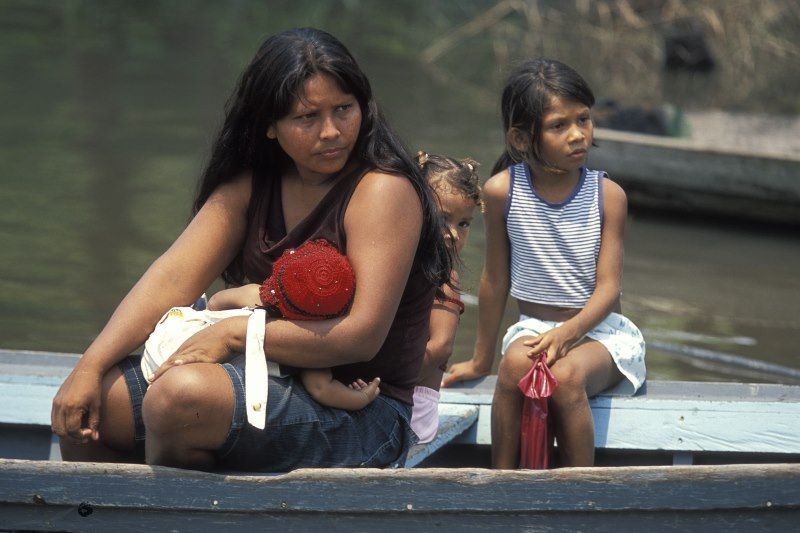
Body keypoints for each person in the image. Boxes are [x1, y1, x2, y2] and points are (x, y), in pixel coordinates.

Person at [50, 28, 451, 472]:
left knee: (181, 397)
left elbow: (361, 334)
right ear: (269, 126)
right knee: (93, 407)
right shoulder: (250, 185)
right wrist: (89, 365)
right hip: (265, 374)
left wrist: (235, 332)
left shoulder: (382, 191)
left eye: (344, 109)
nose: (332, 131)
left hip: (362, 410)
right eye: (307, 117)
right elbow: (170, 278)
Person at [443, 59, 646, 468]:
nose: (578, 135)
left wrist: (569, 333)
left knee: (566, 378)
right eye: (559, 125)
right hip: (534, 329)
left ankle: (575, 494)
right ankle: (502, 484)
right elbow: (495, 279)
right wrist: (481, 359)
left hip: (600, 334)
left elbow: (609, 289)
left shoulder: (608, 196)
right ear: (521, 138)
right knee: (512, 368)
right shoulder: (502, 192)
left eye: (583, 119)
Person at [203, 274, 381, 411]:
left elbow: (214, 302)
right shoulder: (309, 346)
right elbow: (321, 389)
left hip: (197, 334)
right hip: (218, 370)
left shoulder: (254, 293)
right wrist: (362, 398)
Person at [409, 151, 482, 444]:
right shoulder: (397, 268)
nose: (453, 234)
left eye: (464, 224)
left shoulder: (444, 278)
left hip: (414, 408)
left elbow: (439, 348)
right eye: (443, 219)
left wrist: (386, 379)